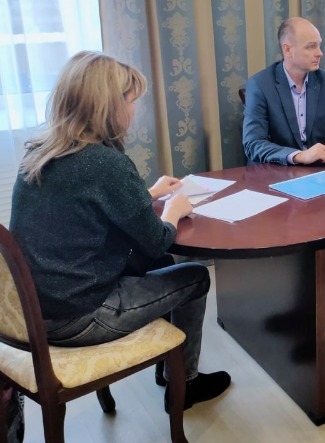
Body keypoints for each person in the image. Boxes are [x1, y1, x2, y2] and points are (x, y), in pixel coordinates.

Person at [10, 51, 230, 411]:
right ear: (108, 107)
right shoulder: (105, 163)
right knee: (195, 277)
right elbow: (158, 238)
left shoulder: (40, 153)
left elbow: (84, 208)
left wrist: (148, 193)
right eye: (130, 101)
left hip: (36, 309)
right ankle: (186, 384)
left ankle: (169, 369)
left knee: (158, 264)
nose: (134, 110)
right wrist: (173, 211)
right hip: (79, 316)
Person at [242, 17, 325, 165]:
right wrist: (299, 156)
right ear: (287, 49)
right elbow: (253, 143)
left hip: (319, 171)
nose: (320, 53)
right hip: (277, 171)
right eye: (311, 47)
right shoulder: (260, 85)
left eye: (319, 45)